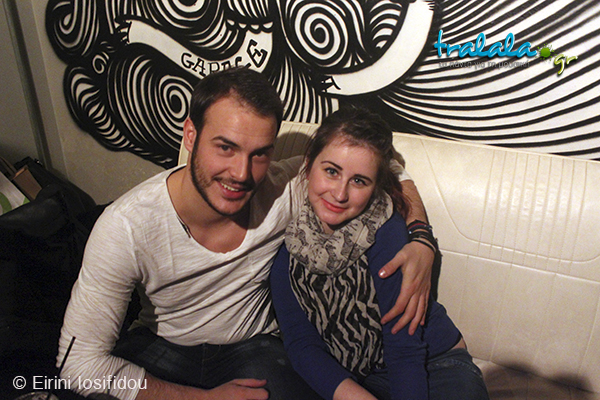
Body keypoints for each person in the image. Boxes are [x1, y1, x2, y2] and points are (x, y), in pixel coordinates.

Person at [57, 67, 435, 400]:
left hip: (254, 349)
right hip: (164, 345)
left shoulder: (288, 188)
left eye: (259, 154)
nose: (241, 173)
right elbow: (77, 364)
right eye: (226, 147)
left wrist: (420, 238)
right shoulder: (125, 226)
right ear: (190, 134)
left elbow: (385, 166)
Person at [270, 107, 490, 400]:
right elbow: (301, 346)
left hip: (433, 365)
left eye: (359, 181)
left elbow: (404, 351)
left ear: (375, 186)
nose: (340, 194)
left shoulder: (386, 232)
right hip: (358, 377)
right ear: (309, 165)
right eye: (332, 171)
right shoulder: (288, 249)